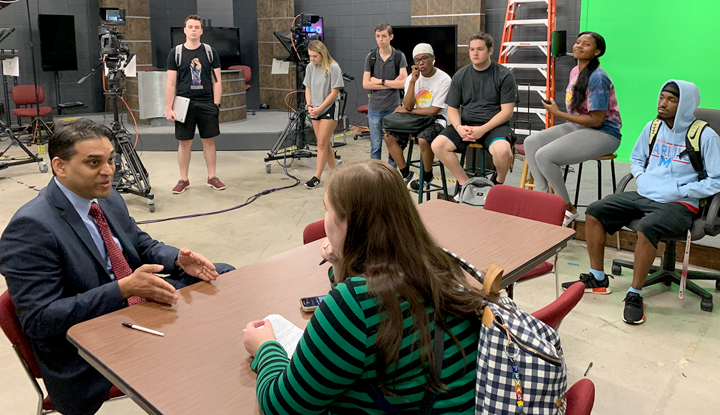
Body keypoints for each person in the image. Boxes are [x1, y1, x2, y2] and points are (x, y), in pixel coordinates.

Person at [0, 120, 235, 415]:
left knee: (223, 274)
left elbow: (141, 245)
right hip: (89, 343)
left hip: (131, 304)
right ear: (59, 166)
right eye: (93, 162)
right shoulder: (31, 228)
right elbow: (39, 319)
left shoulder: (107, 199)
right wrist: (122, 289)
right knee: (197, 349)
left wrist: (178, 259)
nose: (109, 170)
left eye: (110, 159)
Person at [243, 159, 497, 413]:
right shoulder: (439, 267)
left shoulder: (351, 305)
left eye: (327, 210)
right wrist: (341, 264)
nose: (324, 220)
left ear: (348, 224)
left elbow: (281, 407)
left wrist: (266, 348)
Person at [562, 80, 720, 325]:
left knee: (647, 227)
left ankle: (634, 294)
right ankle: (598, 277)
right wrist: (643, 177)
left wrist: (683, 188)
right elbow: (636, 159)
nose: (663, 104)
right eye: (662, 98)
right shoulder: (653, 127)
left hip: (681, 203)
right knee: (595, 211)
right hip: (645, 194)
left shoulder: (705, 135)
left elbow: (717, 179)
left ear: (685, 104)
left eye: (672, 100)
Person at [524, 31, 622, 226]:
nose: (578, 46)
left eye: (585, 45)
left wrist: (558, 114)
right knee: (531, 142)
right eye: (577, 42)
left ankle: (567, 208)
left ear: (597, 52)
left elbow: (596, 120)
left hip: (604, 133)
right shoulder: (575, 72)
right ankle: (543, 198)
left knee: (545, 155)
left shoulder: (598, 78)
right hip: (578, 126)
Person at [431, 33, 517, 200]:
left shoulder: (504, 75)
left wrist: (482, 130)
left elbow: (507, 112)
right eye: (472, 49)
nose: (475, 53)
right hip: (466, 124)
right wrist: (458, 127)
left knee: (503, 151)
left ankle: (497, 184)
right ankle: (465, 184)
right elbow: (452, 109)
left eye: (480, 49)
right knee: (438, 145)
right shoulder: (460, 76)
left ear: (490, 50)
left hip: (494, 126)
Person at [165, 14, 224, 194]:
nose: (193, 30)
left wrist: (216, 104)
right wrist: (168, 107)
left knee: (209, 140)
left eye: (197, 27)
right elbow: (171, 83)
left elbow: (217, 81)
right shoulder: (175, 53)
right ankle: (183, 179)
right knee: (184, 142)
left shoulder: (209, 51)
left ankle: (212, 177)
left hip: (206, 102)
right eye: (190, 27)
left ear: (201, 31)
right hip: (183, 103)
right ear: (184, 30)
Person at [384, 42, 452, 191]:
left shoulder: (444, 79)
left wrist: (408, 111)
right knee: (389, 136)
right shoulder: (411, 79)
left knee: (423, 139)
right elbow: (407, 105)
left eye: (424, 58)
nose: (421, 62)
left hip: (438, 119)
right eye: (417, 59)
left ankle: (427, 176)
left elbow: (434, 111)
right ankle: (406, 174)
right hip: (415, 119)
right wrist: (414, 81)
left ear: (433, 58)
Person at [362, 22, 408, 165]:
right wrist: (391, 83)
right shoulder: (371, 57)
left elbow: (403, 83)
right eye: (378, 36)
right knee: (375, 145)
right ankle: (375, 175)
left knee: (393, 144)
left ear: (391, 37)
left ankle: (391, 174)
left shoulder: (399, 56)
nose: (381, 39)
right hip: (374, 108)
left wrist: (379, 81)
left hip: (393, 108)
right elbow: (366, 84)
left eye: (384, 36)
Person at [303, 40, 344, 189]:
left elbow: (334, 92)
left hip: (329, 108)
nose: (312, 59)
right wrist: (309, 105)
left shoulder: (334, 68)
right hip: (315, 108)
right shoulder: (310, 67)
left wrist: (320, 108)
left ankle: (317, 176)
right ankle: (335, 174)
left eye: (314, 56)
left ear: (322, 54)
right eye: (310, 56)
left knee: (321, 143)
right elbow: (307, 87)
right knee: (324, 143)